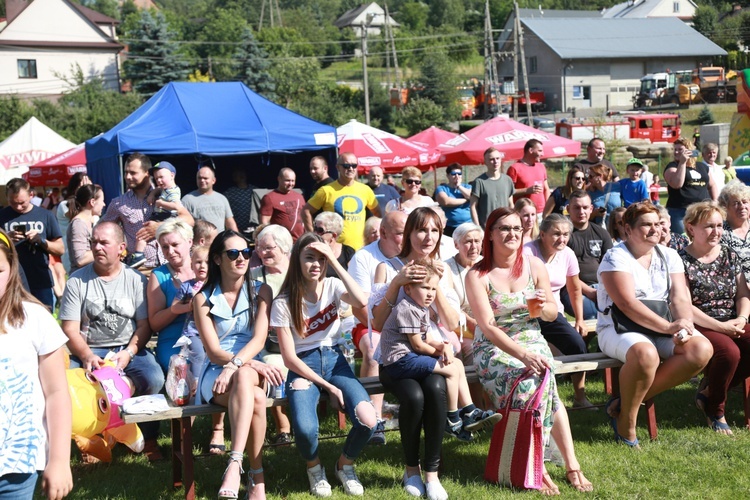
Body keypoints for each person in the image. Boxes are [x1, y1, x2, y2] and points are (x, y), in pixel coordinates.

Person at [465, 207, 593, 494]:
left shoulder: (534, 266)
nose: (512, 234)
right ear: (491, 234)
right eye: (504, 229)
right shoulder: (478, 274)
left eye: (516, 228)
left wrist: (544, 306)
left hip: (531, 335)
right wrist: (521, 355)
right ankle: (541, 466)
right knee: (531, 382)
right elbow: (486, 326)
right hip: (493, 345)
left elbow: (548, 315)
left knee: (544, 380)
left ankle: (571, 465)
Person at [597, 202, 713, 448]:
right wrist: (669, 328)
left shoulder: (669, 254)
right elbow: (627, 304)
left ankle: (625, 401)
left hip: (660, 328)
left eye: (657, 224)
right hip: (618, 329)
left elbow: (680, 298)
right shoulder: (615, 256)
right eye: (646, 225)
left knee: (700, 349)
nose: (654, 229)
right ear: (628, 229)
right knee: (645, 353)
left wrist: (683, 328)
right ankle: (627, 425)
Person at [271, 232, 374, 497]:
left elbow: (362, 301)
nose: (316, 264)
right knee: (305, 430)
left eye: (321, 259)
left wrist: (335, 261)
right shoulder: (283, 302)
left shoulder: (333, 286)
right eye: (309, 258)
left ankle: (344, 465)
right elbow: (288, 358)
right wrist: (329, 387)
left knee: (368, 420)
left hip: (336, 360)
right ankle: (314, 469)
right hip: (302, 366)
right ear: (297, 261)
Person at [371, 208, 461, 499]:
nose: (428, 237)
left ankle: (432, 475)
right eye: (422, 230)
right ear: (408, 233)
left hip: (430, 354)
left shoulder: (441, 269)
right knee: (413, 396)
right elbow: (375, 322)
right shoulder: (387, 267)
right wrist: (398, 281)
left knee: (435, 389)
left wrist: (438, 283)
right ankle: (411, 470)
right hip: (397, 360)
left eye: (435, 231)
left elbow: (452, 323)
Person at [59, 221, 165, 460]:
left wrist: (129, 352)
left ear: (121, 248)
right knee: (67, 387)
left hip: (129, 347)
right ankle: (92, 440)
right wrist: (86, 355)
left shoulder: (137, 280)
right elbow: (69, 329)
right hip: (88, 348)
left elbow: (144, 325)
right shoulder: (77, 280)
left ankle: (146, 438)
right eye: (93, 242)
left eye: (104, 242)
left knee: (155, 379)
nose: (97, 247)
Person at [193, 230, 284, 500]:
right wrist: (238, 365)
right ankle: (256, 477)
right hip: (218, 372)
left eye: (246, 252)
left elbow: (258, 339)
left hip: (250, 366)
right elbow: (212, 351)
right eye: (233, 253)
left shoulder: (262, 290)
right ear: (218, 259)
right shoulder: (202, 298)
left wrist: (239, 365)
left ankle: (234, 464)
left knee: (245, 377)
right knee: (255, 397)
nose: (241, 258)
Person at [379, 259, 499, 440]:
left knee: (457, 363)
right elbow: (418, 345)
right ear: (408, 289)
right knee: (451, 368)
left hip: (410, 357)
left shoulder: (421, 308)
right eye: (425, 288)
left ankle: (469, 410)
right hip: (399, 361)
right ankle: (451, 417)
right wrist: (441, 352)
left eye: (434, 289)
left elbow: (427, 338)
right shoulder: (407, 309)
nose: (430, 294)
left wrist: (443, 346)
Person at [0, 229, 73, 500]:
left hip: (16, 466)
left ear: (11, 269)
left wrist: (59, 460)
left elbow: (56, 393)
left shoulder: (35, 319)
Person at [679, 201, 750, 435]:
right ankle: (716, 409)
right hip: (700, 322)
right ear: (691, 228)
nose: (716, 232)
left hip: (732, 318)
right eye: (709, 226)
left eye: (720, 225)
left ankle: (711, 389)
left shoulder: (729, 254)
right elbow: (685, 305)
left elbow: (743, 293)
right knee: (729, 353)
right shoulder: (681, 260)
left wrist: (741, 318)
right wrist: (721, 327)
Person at [347, 210, 408, 445]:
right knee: (374, 352)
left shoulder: (412, 255)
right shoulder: (363, 258)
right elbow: (360, 307)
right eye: (401, 233)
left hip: (408, 324)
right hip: (369, 323)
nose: (407, 237)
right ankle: (375, 418)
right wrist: (385, 330)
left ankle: (447, 413)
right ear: (382, 233)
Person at [524, 214, 591, 408]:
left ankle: (580, 397)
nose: (562, 239)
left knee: (578, 345)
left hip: (552, 312)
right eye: (556, 234)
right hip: (526, 312)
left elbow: (574, 288)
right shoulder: (528, 252)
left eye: (565, 234)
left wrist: (580, 319)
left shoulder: (567, 253)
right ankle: (533, 401)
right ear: (542, 234)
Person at [102, 152, 194, 269]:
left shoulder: (165, 195)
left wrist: (159, 226)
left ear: (146, 174)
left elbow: (189, 220)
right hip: (142, 269)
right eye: (126, 172)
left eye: (133, 173)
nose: (128, 177)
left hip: (171, 266)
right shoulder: (118, 203)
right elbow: (103, 229)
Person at [250, 224, 294, 446]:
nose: (262, 252)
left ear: (285, 247)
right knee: (272, 367)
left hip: (300, 338)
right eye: (259, 247)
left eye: (268, 248)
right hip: (270, 343)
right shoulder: (252, 277)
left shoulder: (298, 273)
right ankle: (282, 427)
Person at [0, 178, 64, 309]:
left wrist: (41, 240)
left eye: (21, 203)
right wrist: (6, 239)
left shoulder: (45, 215)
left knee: (44, 322)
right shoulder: (2, 216)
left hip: (40, 281)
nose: (18, 207)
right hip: (12, 282)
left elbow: (60, 249)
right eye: (13, 203)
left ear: (31, 195)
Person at [304, 153, 381, 251]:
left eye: (354, 165)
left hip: (360, 249)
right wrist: (313, 236)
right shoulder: (326, 190)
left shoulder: (365, 190)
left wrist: (373, 236)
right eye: (346, 166)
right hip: (335, 250)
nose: (350, 169)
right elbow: (305, 211)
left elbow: (377, 215)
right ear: (338, 167)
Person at [563, 190, 612, 321]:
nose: (581, 212)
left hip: (601, 287)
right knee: (591, 316)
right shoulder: (562, 236)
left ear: (591, 209)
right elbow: (560, 272)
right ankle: (580, 342)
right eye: (576, 208)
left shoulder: (601, 233)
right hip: (572, 289)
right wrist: (589, 292)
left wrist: (604, 290)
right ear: (568, 209)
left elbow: (611, 267)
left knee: (622, 311)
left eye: (585, 207)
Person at [129, 161, 182, 268]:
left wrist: (161, 203)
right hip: (160, 215)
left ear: (172, 176)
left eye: (161, 177)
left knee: (142, 233)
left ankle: (138, 254)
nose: (159, 180)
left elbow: (176, 206)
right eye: (156, 178)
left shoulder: (174, 192)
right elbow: (157, 189)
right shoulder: (164, 189)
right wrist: (152, 194)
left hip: (166, 215)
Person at [664, 137, 717, 234]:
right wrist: (682, 163)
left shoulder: (702, 166)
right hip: (680, 212)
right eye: (675, 149)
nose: (676, 152)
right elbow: (677, 184)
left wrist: (715, 202)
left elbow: (712, 185)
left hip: (702, 211)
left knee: (703, 238)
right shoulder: (672, 166)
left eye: (680, 149)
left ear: (689, 150)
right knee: (682, 241)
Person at [182, 165, 238, 233]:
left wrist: (237, 238)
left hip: (219, 241)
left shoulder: (222, 198)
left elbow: (229, 222)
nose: (202, 180)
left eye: (205, 178)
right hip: (200, 241)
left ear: (213, 180)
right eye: (199, 178)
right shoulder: (187, 200)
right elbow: (183, 225)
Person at [469, 147, 515, 227]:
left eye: (497, 158)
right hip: (486, 229)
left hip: (505, 226)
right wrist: (477, 227)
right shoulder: (479, 182)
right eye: (491, 159)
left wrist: (512, 222)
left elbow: (511, 204)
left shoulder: (507, 180)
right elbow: (473, 207)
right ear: (485, 162)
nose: (495, 161)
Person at [67, 184, 106, 274]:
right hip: (81, 280)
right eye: (102, 201)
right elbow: (80, 259)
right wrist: (109, 250)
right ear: (92, 202)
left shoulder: (90, 222)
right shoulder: (78, 224)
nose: (104, 204)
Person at [58, 172, 92, 273]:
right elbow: (78, 220)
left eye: (89, 186)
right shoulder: (65, 205)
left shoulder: (91, 205)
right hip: (72, 254)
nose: (86, 188)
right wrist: (85, 193)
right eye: (82, 186)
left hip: (89, 252)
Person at [260, 168, 305, 241]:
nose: (290, 184)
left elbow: (304, 217)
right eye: (287, 180)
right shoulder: (269, 197)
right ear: (279, 179)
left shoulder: (299, 196)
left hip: (300, 240)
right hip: (282, 241)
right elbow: (264, 223)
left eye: (293, 181)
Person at [720, 181, 750, 280]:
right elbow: (725, 269)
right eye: (736, 203)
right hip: (737, 288)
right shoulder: (720, 232)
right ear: (725, 207)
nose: (742, 206)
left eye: (745, 202)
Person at [314, 212, 355, 279]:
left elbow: (352, 278)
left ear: (333, 236)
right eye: (315, 228)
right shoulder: (311, 249)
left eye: (320, 230)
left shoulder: (347, 252)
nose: (315, 233)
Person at [435, 164, 472, 236]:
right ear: (448, 176)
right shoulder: (442, 188)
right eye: (453, 174)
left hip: (468, 224)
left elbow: (471, 196)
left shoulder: (467, 187)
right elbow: (446, 201)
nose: (457, 176)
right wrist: (466, 200)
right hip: (450, 226)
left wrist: (459, 186)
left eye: (459, 174)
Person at [224, 166, 255, 235]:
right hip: (237, 228)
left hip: (253, 227)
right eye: (238, 174)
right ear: (234, 178)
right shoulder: (229, 193)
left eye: (242, 174)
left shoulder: (254, 190)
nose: (241, 176)